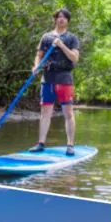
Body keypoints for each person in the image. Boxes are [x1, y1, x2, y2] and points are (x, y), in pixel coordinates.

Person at [29, 8, 80, 156]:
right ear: (55, 19)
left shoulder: (72, 38)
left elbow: (74, 58)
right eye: (58, 17)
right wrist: (36, 66)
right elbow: (39, 56)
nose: (61, 19)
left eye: (64, 17)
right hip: (48, 78)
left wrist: (61, 45)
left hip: (64, 78)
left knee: (68, 112)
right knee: (45, 112)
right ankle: (41, 143)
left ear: (68, 21)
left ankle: (70, 145)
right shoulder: (46, 37)